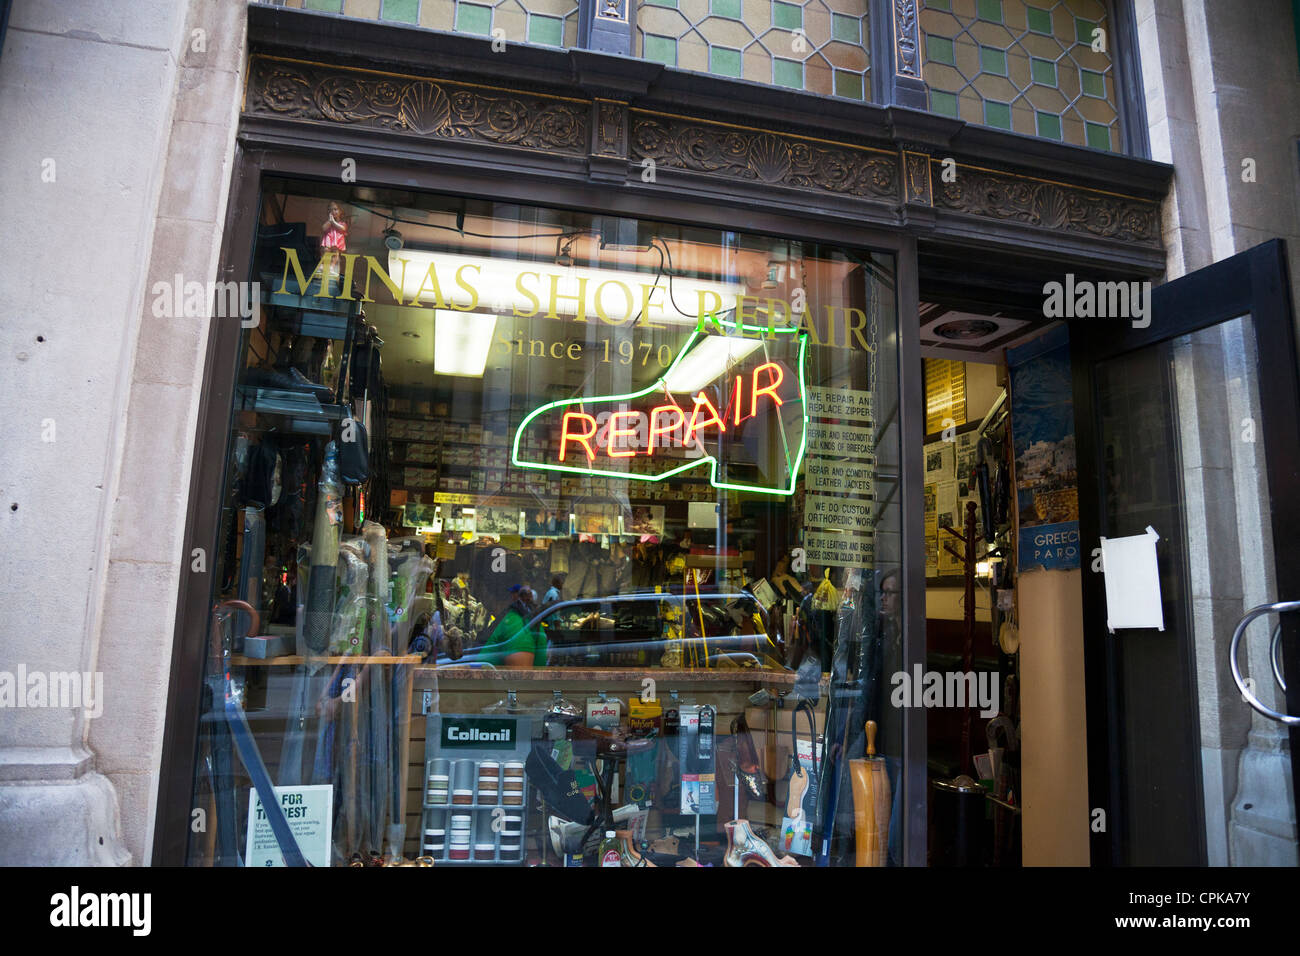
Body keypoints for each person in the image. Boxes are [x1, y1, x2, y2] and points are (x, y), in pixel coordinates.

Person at [479, 584, 546, 667]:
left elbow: (519, 676)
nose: (511, 597)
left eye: (512, 594)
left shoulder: (516, 623)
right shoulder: (521, 619)